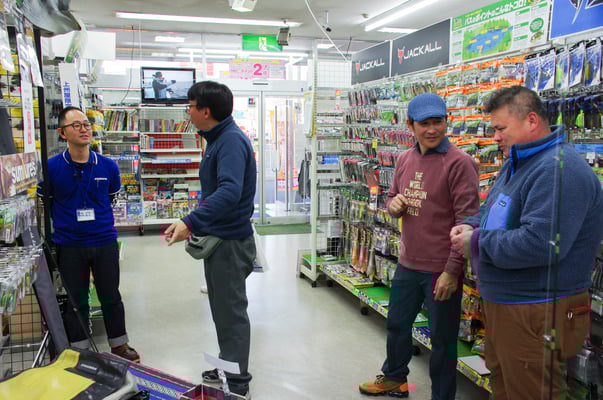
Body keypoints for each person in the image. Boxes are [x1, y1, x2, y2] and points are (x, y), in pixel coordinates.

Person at [450, 86, 603, 399]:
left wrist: (476, 242)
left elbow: (540, 244)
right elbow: (496, 211)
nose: (495, 137)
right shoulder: (519, 161)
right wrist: (473, 224)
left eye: (500, 128)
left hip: (535, 309)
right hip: (512, 305)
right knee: (506, 387)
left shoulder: (558, 170)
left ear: (531, 120)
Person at [359, 93, 480, 399]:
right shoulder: (404, 159)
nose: (432, 129)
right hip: (407, 263)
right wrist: (393, 205)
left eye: (438, 122)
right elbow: (391, 198)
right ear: (410, 125)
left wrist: (452, 272)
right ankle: (395, 379)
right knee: (397, 325)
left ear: (446, 122)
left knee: (442, 341)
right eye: (424, 123)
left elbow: (467, 222)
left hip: (441, 269)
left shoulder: (460, 163)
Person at [164, 81, 256, 398]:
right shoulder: (218, 138)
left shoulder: (229, 141)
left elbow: (229, 192)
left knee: (231, 314)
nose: (187, 112)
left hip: (230, 243)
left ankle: (238, 385)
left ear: (205, 111)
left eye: (190, 106)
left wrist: (189, 221)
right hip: (220, 239)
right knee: (221, 311)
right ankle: (228, 366)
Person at [38, 106, 140, 362]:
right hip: (69, 244)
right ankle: (80, 349)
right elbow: (45, 201)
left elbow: (111, 197)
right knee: (77, 300)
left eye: (86, 124)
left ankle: (119, 345)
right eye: (76, 125)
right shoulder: (51, 168)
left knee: (111, 296)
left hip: (104, 241)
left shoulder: (108, 166)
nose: (84, 129)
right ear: (62, 133)